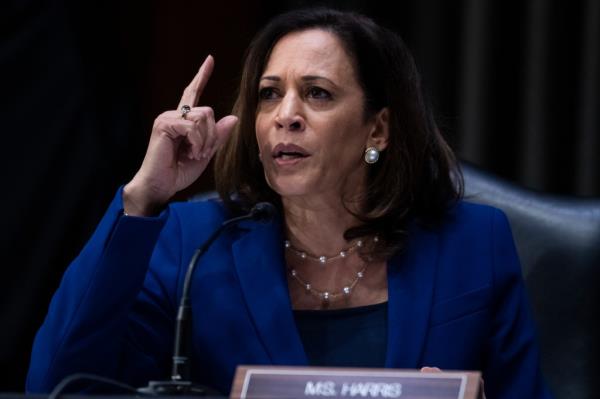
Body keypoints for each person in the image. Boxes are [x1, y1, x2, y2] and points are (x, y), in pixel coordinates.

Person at [26, 8, 552, 398]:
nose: (286, 115)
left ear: (379, 127)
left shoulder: (472, 243)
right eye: (269, 94)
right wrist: (144, 196)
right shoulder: (191, 242)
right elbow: (59, 383)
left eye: (318, 93)